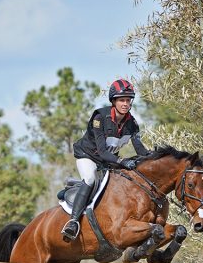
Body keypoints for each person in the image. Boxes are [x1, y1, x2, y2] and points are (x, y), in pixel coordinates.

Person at [61, 78, 150, 242]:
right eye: (122, 100)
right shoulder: (100, 117)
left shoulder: (132, 124)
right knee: (90, 179)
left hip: (107, 161)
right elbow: (102, 152)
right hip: (88, 156)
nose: (125, 103)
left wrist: (153, 158)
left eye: (128, 100)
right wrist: (123, 161)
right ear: (113, 101)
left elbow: (140, 150)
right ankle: (73, 222)